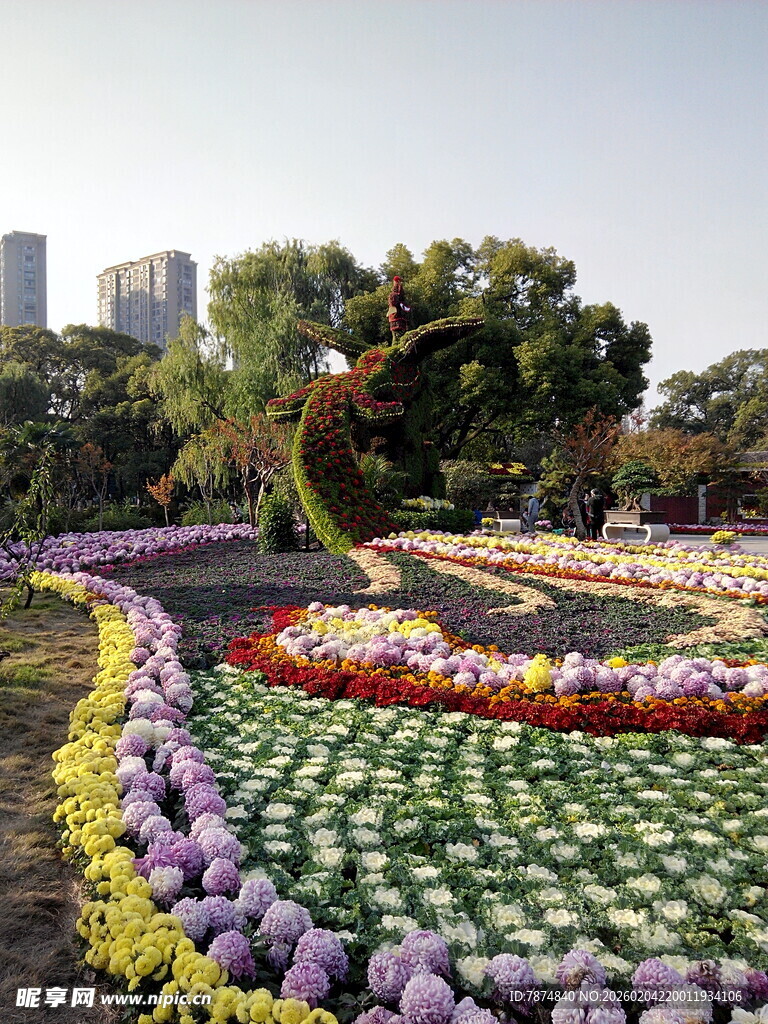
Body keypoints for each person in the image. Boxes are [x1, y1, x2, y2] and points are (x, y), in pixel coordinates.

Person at [387, 276, 411, 341]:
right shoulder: (393, 294)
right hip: (395, 318)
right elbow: (394, 303)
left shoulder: (399, 293)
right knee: (396, 336)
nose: (399, 283)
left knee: (400, 335)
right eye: (398, 281)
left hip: (400, 317)